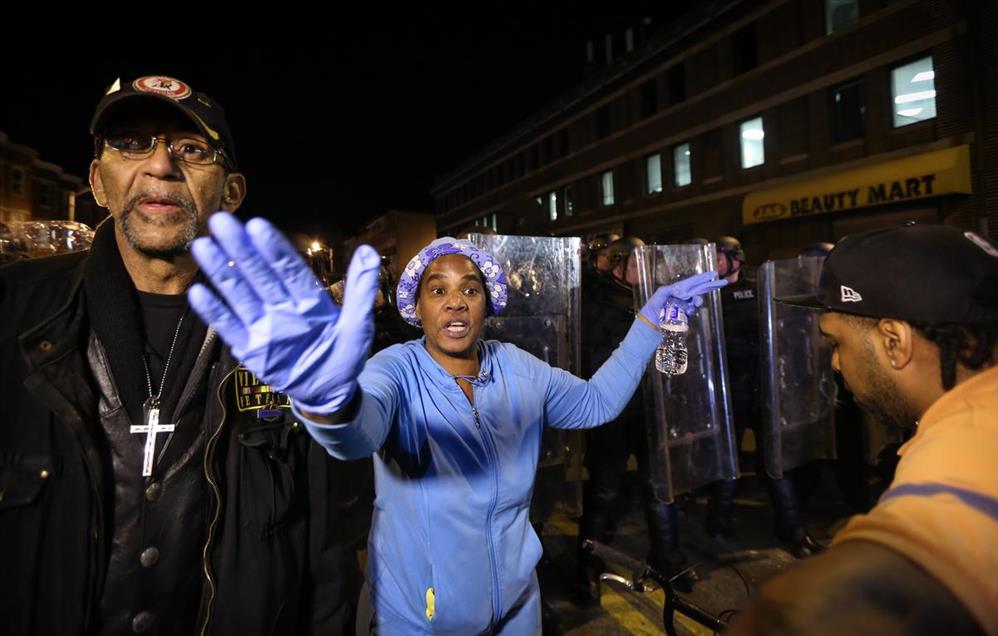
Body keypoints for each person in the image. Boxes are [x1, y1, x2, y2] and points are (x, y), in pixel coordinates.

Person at [186, 223, 726, 634]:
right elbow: (357, 433)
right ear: (417, 306)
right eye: (437, 290)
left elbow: (595, 403)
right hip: (418, 615)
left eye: (469, 289)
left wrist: (650, 323)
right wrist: (327, 402)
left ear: (487, 302)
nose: (455, 301)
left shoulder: (516, 365)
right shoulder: (393, 369)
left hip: (518, 605)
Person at [0, 75, 349, 634]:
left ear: (231, 192)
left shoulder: (280, 335)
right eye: (132, 142)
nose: (161, 165)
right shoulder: (14, 313)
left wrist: (340, 407)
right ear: (97, 180)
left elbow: (323, 553)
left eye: (192, 149)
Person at [728, 224, 998, 636]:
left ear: (894, 341)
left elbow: (851, 603)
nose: (835, 364)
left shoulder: (959, 455)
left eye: (836, 342)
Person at [575, 236, 696, 604]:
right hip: (611, 413)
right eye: (636, 263)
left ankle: (667, 559)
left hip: (651, 411)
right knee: (606, 492)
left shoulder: (657, 299)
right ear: (618, 263)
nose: (645, 270)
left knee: (660, 488)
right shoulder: (594, 301)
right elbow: (591, 359)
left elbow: (677, 358)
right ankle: (588, 566)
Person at [706, 235, 820, 557]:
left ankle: (792, 530)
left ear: (735, 259)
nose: (712, 263)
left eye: (717, 257)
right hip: (730, 390)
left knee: (775, 462)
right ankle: (718, 524)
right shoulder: (707, 293)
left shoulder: (760, 284)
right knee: (728, 464)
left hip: (763, 388)